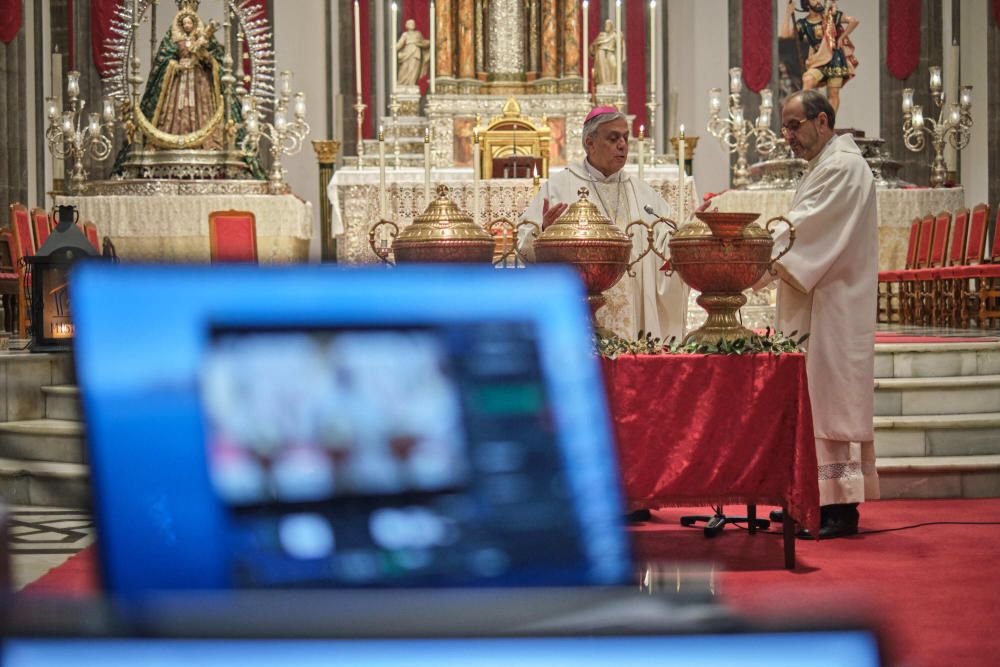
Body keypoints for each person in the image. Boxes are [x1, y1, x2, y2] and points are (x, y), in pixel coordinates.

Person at [758, 90, 879, 538]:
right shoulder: (825, 166)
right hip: (817, 300)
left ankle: (840, 508)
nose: (786, 135)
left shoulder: (844, 167)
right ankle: (812, 497)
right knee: (812, 400)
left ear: (823, 122)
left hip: (835, 304)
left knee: (831, 403)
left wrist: (748, 261)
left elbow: (804, 232)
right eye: (784, 126)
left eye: (793, 125)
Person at [518, 107, 687, 342]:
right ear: (590, 143)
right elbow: (523, 243)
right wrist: (545, 233)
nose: (622, 145)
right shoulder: (559, 187)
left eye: (625, 138)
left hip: (634, 321)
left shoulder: (642, 193)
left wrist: (688, 232)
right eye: (613, 138)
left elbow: (667, 240)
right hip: (577, 311)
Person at [140, 6, 225, 149]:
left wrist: (203, 54)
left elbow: (214, 61)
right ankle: (173, 138)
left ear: (194, 24)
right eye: (184, 23)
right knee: (175, 109)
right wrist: (175, 66)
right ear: (180, 25)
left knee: (202, 105)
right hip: (179, 79)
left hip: (199, 79)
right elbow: (165, 59)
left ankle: (205, 141)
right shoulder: (176, 42)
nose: (187, 25)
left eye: (189, 23)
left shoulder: (202, 39)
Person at [779, 0, 858, 112]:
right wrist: (788, 14)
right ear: (807, 3)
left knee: (833, 93)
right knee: (808, 79)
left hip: (835, 59)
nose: (818, 2)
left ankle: (830, 123)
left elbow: (853, 21)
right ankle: (807, 115)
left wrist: (841, 38)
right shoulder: (804, 23)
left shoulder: (830, 17)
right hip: (818, 60)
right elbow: (785, 36)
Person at [396, 19, 430, 87]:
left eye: (413, 23)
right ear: (407, 25)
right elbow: (400, 44)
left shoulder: (418, 33)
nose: (412, 24)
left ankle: (412, 84)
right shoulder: (405, 34)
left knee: (413, 69)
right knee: (404, 68)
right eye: (410, 23)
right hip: (407, 52)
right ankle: (401, 83)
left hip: (415, 53)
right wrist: (394, 47)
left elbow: (422, 42)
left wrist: (429, 42)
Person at [589, 20, 623, 87]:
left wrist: (620, 36)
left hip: (611, 53)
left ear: (611, 26)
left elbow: (619, 45)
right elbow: (593, 45)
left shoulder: (615, 35)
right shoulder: (601, 35)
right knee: (602, 70)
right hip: (601, 53)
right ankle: (603, 84)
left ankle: (613, 83)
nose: (606, 26)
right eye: (605, 25)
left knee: (614, 66)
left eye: (608, 25)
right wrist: (594, 47)